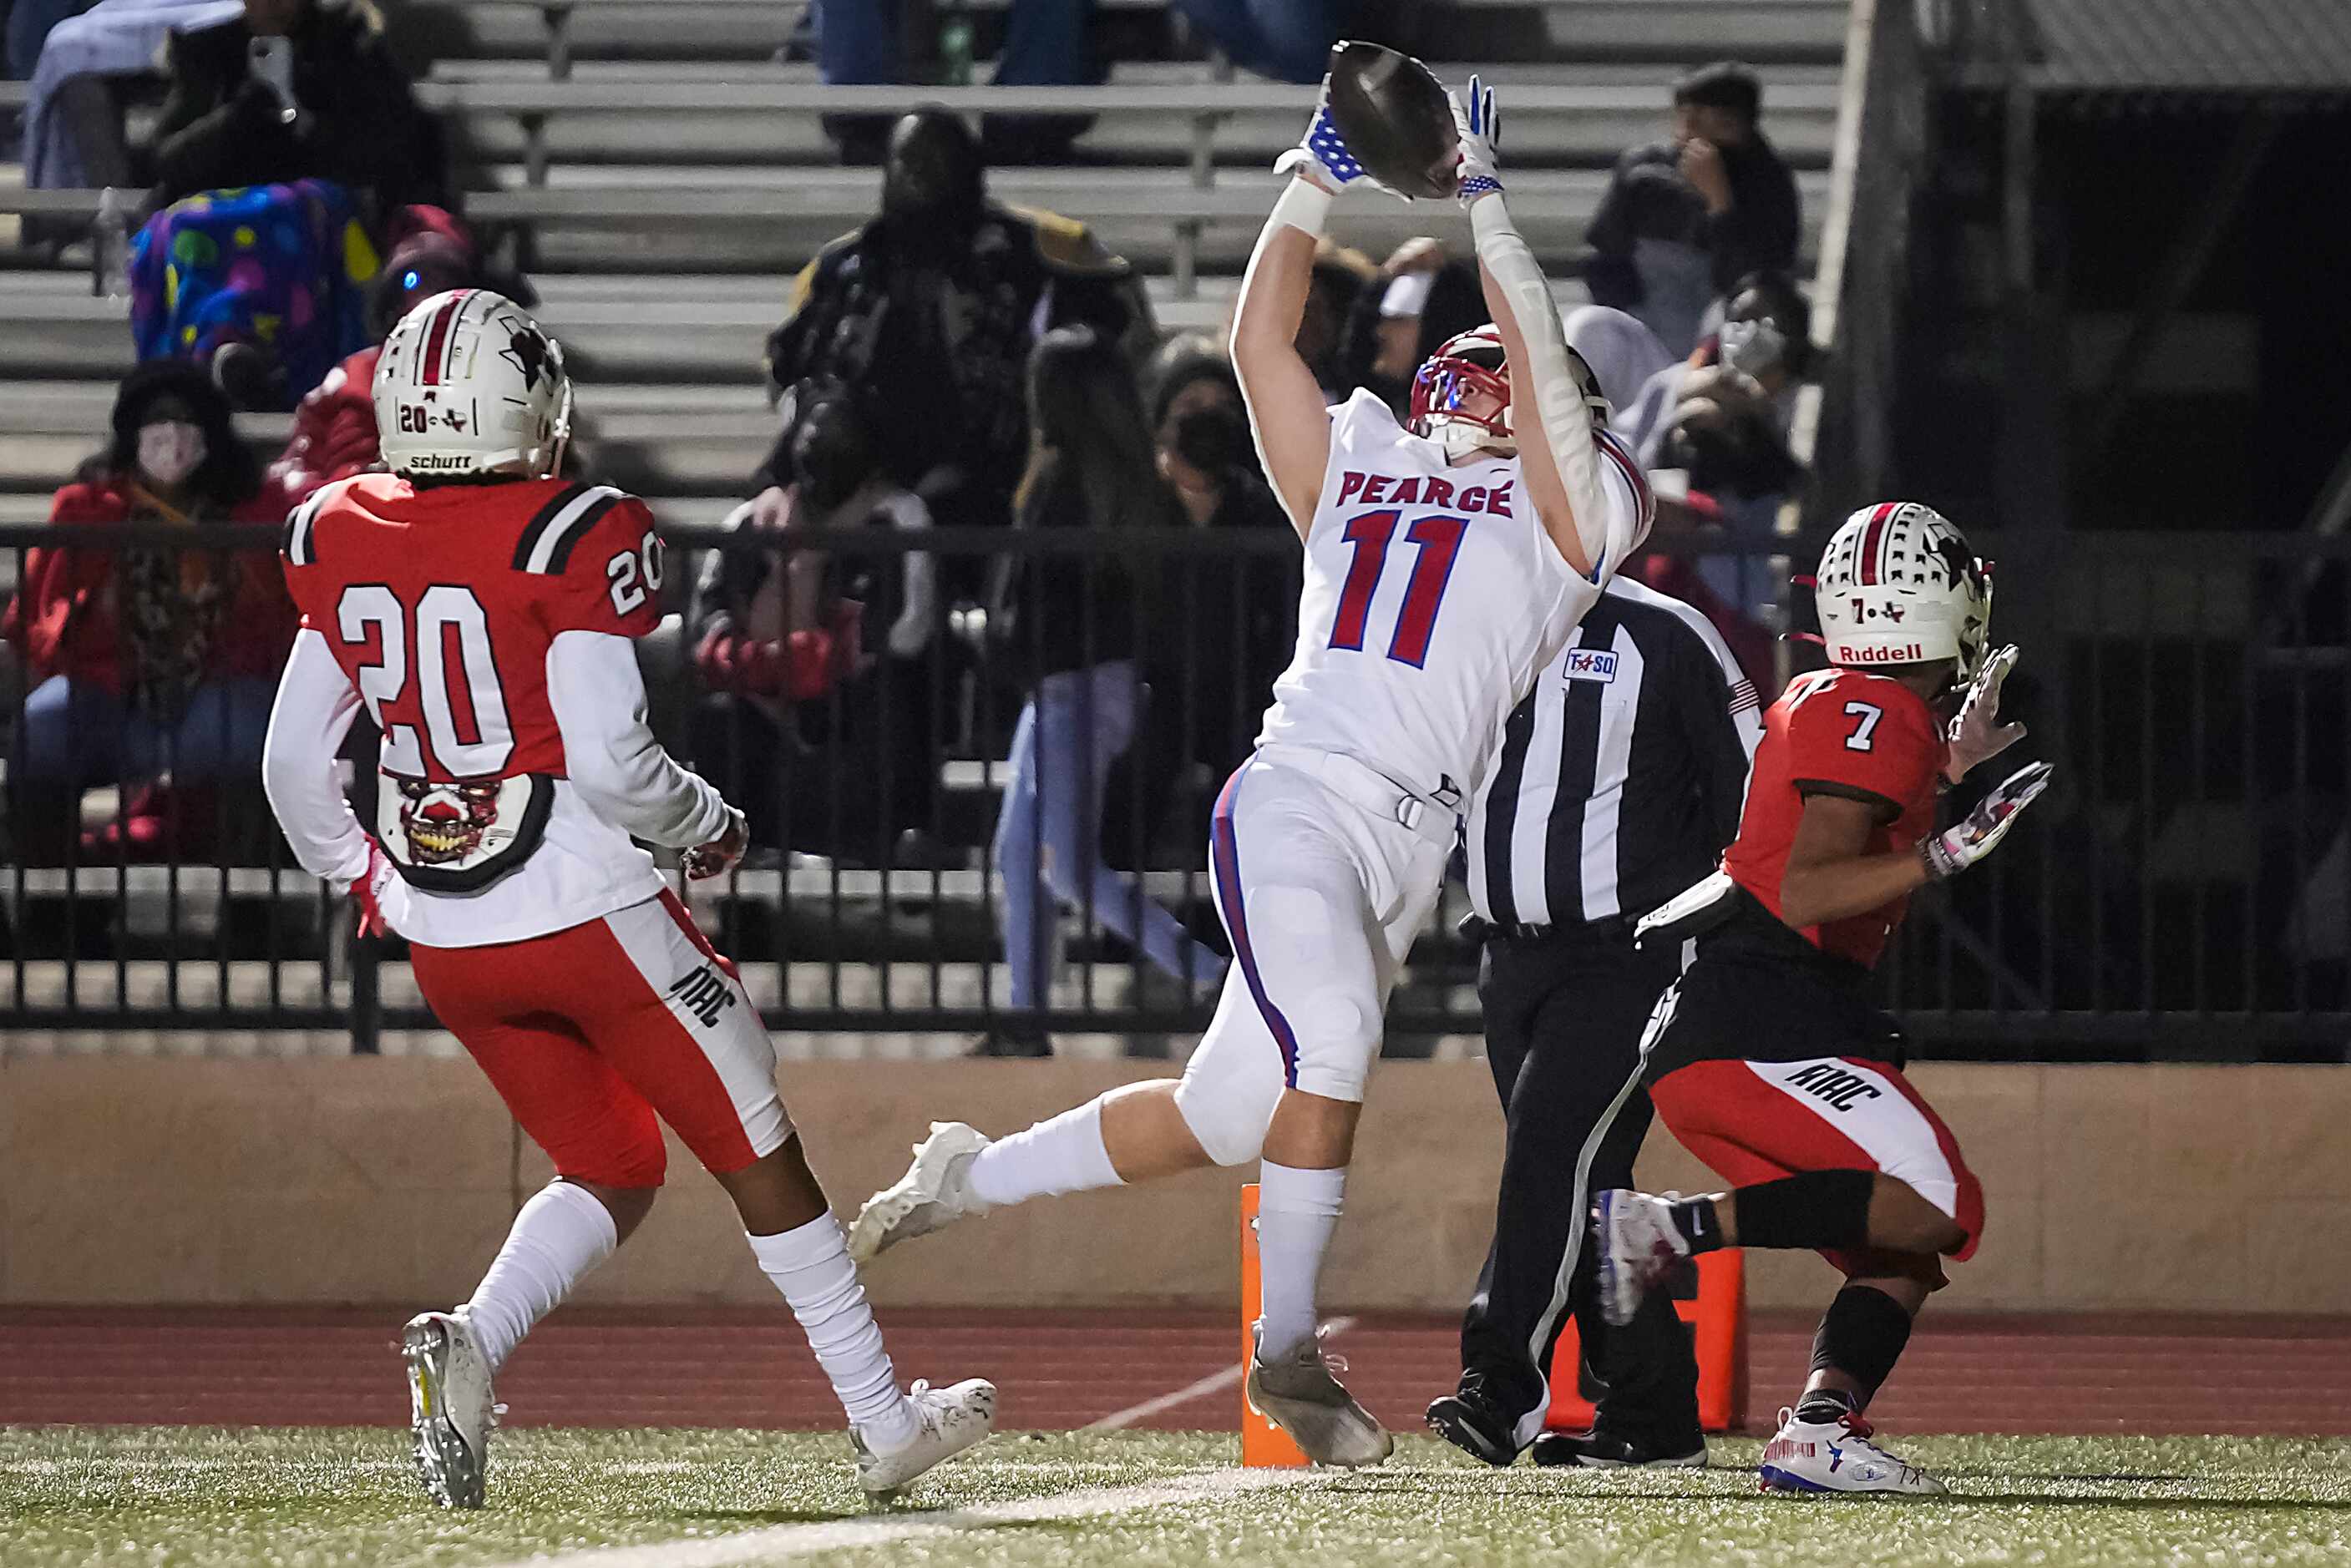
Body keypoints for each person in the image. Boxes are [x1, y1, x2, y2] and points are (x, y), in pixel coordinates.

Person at [847, 75, 1652, 1467]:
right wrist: (1314, 169)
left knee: (1229, 1108)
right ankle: (1286, 1352)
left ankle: (965, 1175)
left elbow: (1550, 402)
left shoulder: (1570, 512)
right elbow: (1256, 337)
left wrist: (1484, 202)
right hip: (1297, 795)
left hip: (1400, 851)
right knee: (1333, 1043)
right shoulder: (1365, 455)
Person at [259, 290, 996, 1506]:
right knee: (759, 1146)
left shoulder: (338, 526)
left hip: (448, 930)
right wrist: (708, 824)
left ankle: (474, 1344)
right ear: (526, 409)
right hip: (582, 903)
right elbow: (610, 758)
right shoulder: (569, 528)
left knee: (610, 1158)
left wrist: (366, 876)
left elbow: (294, 764)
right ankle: (880, 1420)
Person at [1595, 502, 2053, 1495]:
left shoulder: (1860, 705)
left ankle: (1817, 1430)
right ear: (1947, 602)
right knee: (1938, 1202)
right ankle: (1668, 1230)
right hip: (1761, 1019)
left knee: (1902, 1251)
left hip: (1746, 1019)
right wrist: (1944, 848)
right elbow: (1805, 889)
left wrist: (1942, 771)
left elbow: (1827, 857)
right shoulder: (1876, 711)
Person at [1426, 575, 1761, 1469]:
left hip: (1631, 954)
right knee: (1586, 1179)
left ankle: (1502, 1383)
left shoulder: (1669, 632)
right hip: (1508, 954)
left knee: (1547, 1149)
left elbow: (1754, 789)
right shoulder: (1469, 617)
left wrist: (1718, 930)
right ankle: (1653, 1416)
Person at [763, 109, 1154, 583]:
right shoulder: (842, 267)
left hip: (1002, 471)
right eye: (907, 159)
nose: (920, 172)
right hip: (865, 478)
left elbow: (1125, 326)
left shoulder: (1041, 247)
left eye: (937, 158)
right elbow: (788, 369)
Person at [975, 326, 1229, 1056]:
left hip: (1077, 689)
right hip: (1072, 689)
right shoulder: (1112, 476)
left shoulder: (1073, 480)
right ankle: (1025, 1020)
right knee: (1017, 856)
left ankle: (1210, 977)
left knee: (1070, 869)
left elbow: (1049, 601)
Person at [1, 358, 295, 863]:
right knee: (43, 728)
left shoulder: (258, 511)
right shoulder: (86, 509)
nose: (171, 435)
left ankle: (252, 917)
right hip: (108, 691)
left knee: (253, 734)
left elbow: (287, 617)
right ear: (131, 433)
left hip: (219, 690)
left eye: (186, 420)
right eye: (156, 420)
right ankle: (54, 916)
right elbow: (34, 618)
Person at [687, 386, 943, 863]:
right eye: (813, 449)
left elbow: (908, 630)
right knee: (720, 715)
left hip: (848, 695)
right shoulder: (751, 522)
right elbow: (708, 628)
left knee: (888, 694)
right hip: (767, 694)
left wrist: (817, 659)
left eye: (841, 451)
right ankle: (740, 844)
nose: (825, 464)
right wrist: (769, 664)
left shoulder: (897, 518)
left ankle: (885, 840)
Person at [267, 208, 517, 501]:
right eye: (413, 280)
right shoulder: (355, 375)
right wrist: (351, 489)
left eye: (444, 281)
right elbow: (292, 477)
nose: (430, 296)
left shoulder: (505, 374)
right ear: (393, 300)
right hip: (350, 523)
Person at [1583, 63, 1801, 359]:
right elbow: (1605, 257)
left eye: (1720, 125)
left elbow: (1757, 280)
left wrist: (1720, 205)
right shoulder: (1645, 172)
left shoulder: (1768, 184)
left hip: (1722, 336)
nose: (1699, 140)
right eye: (1691, 122)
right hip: (1644, 321)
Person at [146, 0, 446, 212]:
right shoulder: (207, 51)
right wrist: (239, 115)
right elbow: (167, 160)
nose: (273, 4)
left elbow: (391, 148)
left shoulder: (348, 43)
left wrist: (299, 119)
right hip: (223, 225)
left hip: (322, 227)